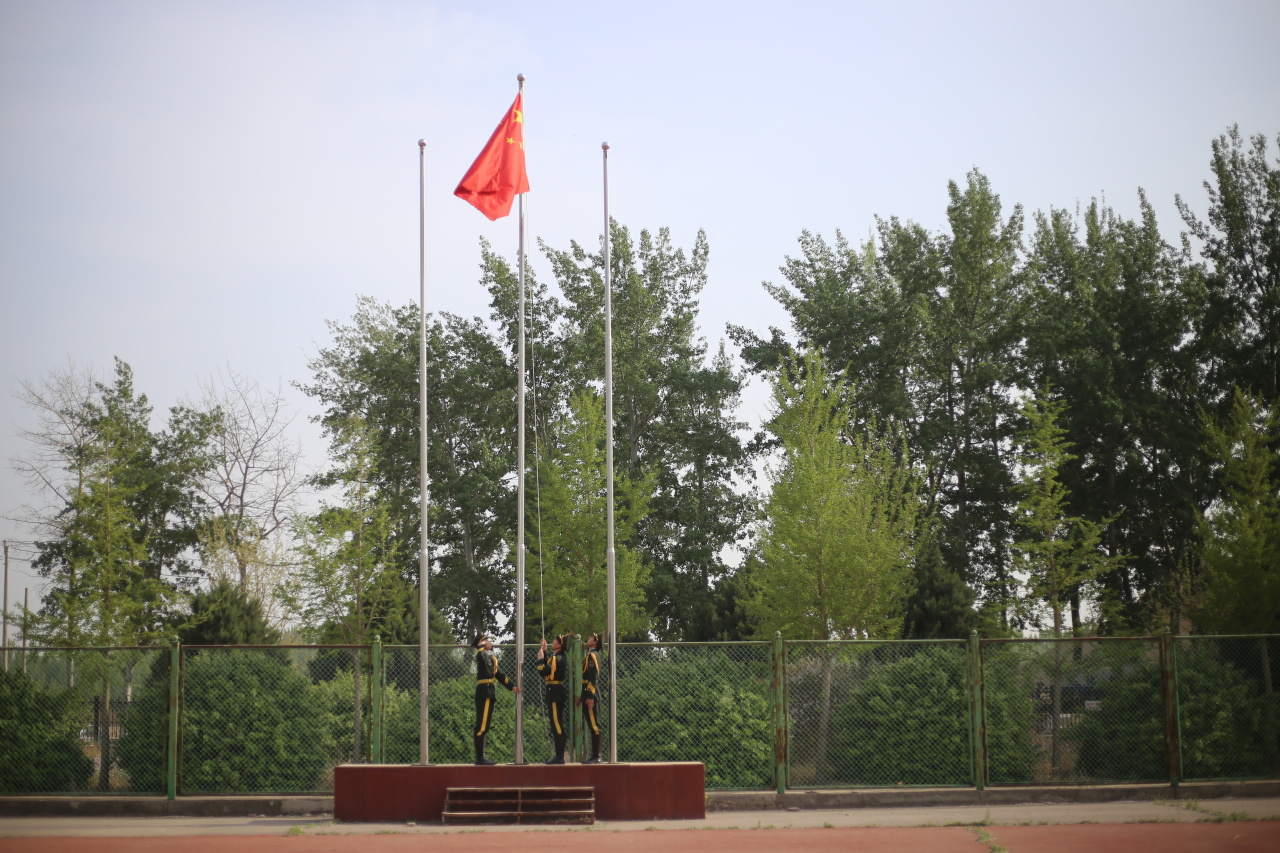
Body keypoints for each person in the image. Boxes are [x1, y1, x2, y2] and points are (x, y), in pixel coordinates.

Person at [472, 631, 520, 766]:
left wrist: (512, 686)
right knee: (481, 725)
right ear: (481, 643)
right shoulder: (481, 655)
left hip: (489, 691)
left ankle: (481, 756)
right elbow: (480, 656)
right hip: (484, 691)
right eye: (486, 640)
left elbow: (499, 675)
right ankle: (479, 757)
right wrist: (480, 647)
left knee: (485, 725)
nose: (489, 642)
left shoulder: (490, 658)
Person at [536, 632, 570, 764]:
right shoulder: (557, 657)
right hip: (554, 691)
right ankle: (559, 755)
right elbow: (549, 667)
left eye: (555, 641)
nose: (553, 642)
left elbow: (543, 671)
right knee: (556, 724)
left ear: (559, 645)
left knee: (557, 724)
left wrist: (540, 659)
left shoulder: (557, 658)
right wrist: (544, 652)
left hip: (555, 692)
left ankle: (560, 757)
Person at [579, 631, 603, 764]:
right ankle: (595, 755)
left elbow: (592, 677)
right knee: (592, 724)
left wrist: (590, 696)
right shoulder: (591, 654)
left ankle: (596, 756)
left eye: (591, 637)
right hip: (587, 691)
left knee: (594, 725)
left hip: (590, 693)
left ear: (595, 642)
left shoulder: (592, 656)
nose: (588, 638)